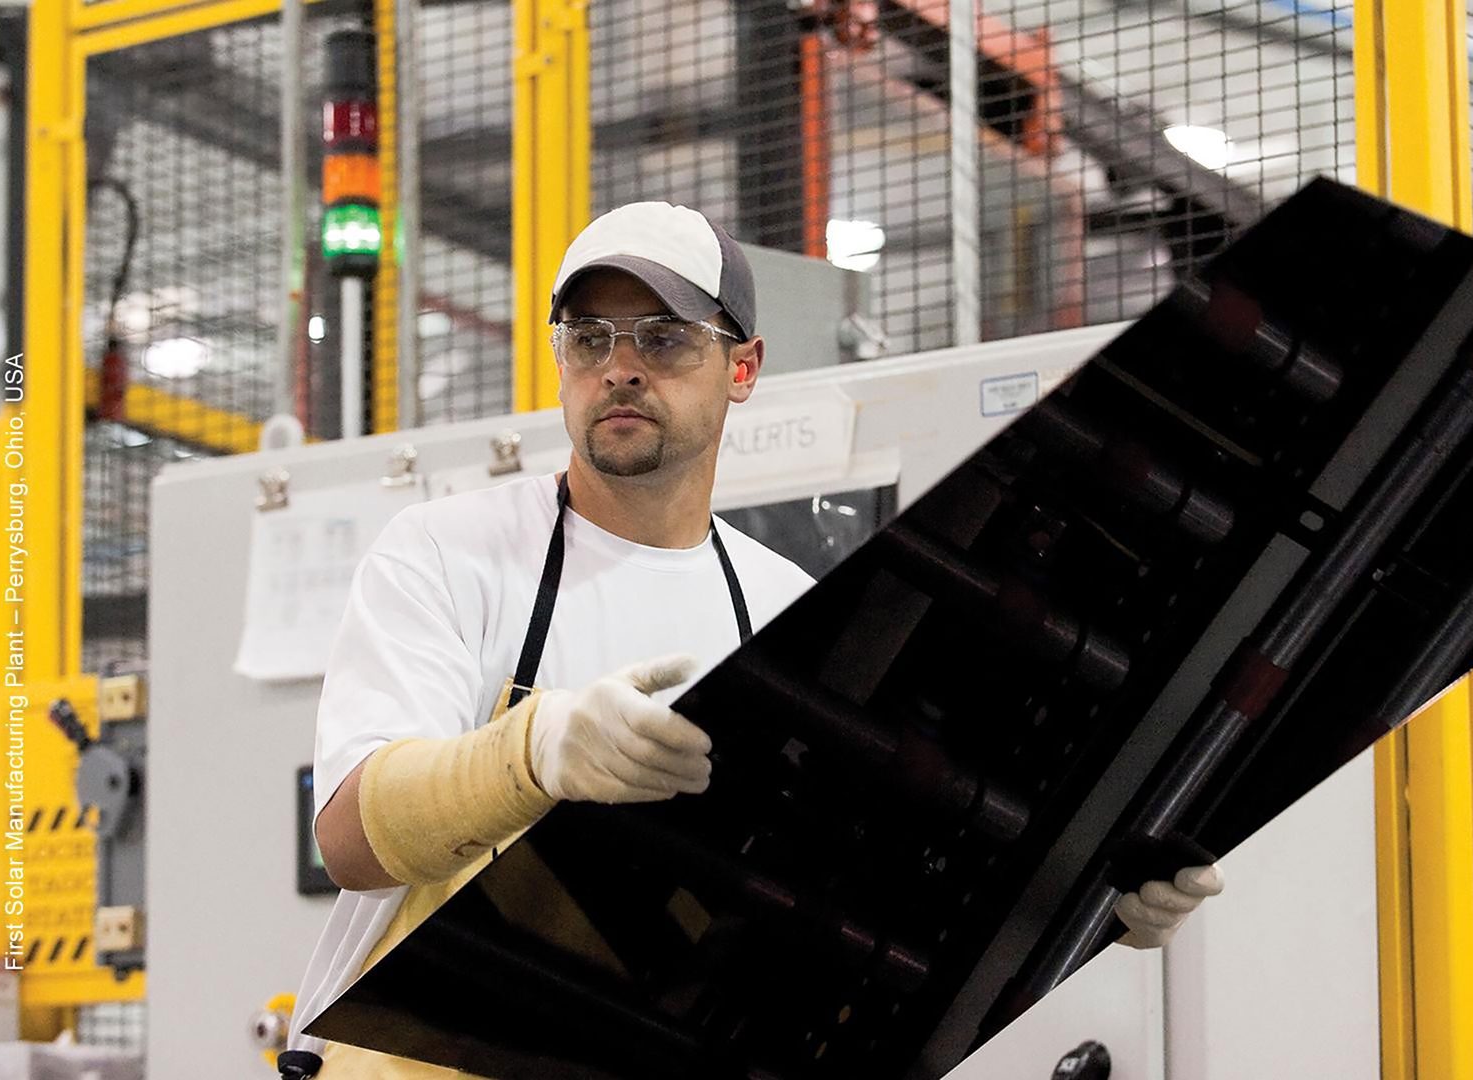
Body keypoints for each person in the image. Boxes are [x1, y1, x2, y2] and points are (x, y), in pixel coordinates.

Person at [283, 202, 1220, 1077]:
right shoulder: (450, 552)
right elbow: (352, 841)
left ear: (743, 367)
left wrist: (1087, 905)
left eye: (662, 338)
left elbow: (871, 896)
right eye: (589, 339)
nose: (619, 366)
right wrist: (530, 751)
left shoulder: (781, 610)